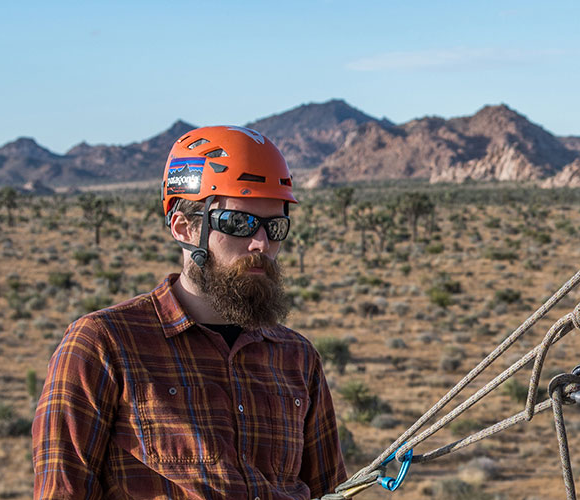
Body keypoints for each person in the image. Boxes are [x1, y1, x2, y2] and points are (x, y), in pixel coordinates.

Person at [32, 126, 347, 499]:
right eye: (238, 223)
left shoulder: (297, 358)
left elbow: (334, 492)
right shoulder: (103, 345)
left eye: (274, 227)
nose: (260, 243)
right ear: (184, 228)